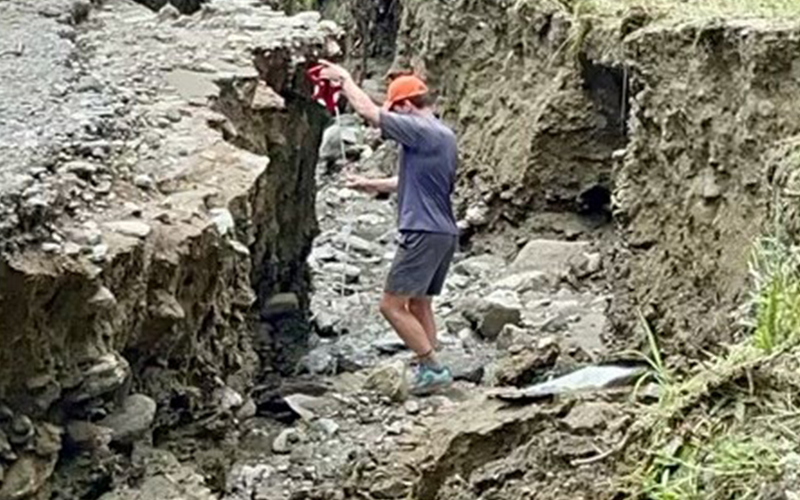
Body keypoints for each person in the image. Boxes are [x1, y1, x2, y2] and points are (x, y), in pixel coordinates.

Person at [318, 60, 459, 395]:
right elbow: (409, 181)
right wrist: (370, 183)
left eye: (396, 112)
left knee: (391, 305)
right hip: (443, 233)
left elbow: (368, 111)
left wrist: (346, 80)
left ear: (407, 106)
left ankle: (431, 367)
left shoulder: (420, 129)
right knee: (420, 303)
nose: (392, 122)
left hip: (421, 232)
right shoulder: (443, 136)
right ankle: (430, 359)